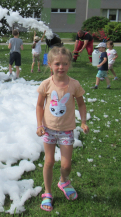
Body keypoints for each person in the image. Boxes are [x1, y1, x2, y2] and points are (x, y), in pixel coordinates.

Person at [36, 47, 89, 212]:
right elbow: (39, 105)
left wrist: (84, 121)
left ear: (69, 65)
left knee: (66, 165)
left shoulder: (74, 84)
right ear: (50, 64)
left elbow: (81, 104)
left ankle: (63, 181)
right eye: (57, 64)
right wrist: (39, 124)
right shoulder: (46, 84)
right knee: (49, 161)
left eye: (64, 64)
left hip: (67, 130)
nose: (61, 67)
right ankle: (47, 192)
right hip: (49, 130)